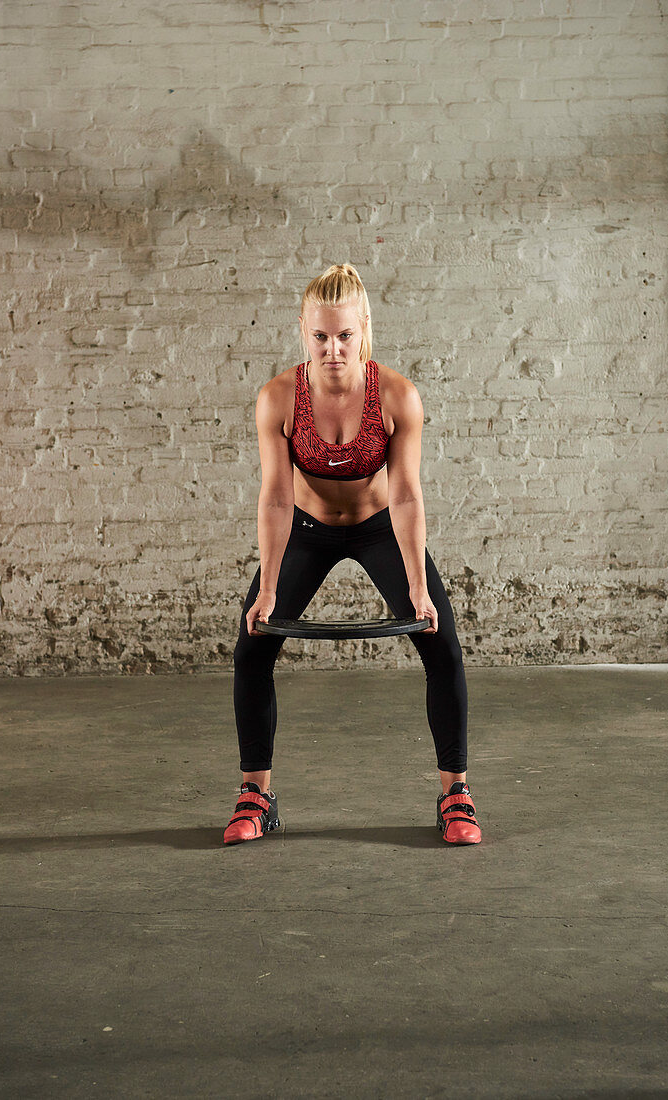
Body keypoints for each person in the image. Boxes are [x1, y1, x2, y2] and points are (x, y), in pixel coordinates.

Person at [224, 264, 481, 846]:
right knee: (252, 645)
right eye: (320, 336)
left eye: (344, 336)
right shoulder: (278, 398)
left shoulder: (395, 396)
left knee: (440, 643)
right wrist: (267, 587)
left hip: (379, 526)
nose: (333, 349)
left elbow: (409, 494)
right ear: (303, 332)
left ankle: (456, 794)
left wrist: (417, 583)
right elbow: (275, 498)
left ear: (364, 328)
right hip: (307, 528)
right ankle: (255, 795)